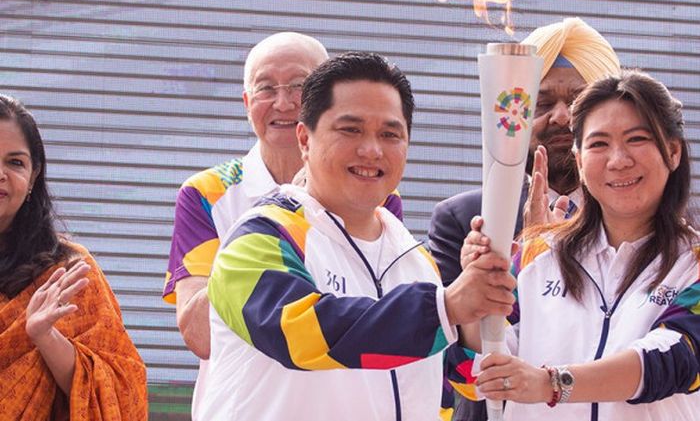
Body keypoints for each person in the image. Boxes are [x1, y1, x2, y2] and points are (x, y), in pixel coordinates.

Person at [198, 52, 516, 421]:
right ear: (304, 138)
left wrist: (480, 306)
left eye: (389, 134)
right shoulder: (261, 237)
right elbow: (301, 333)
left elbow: (464, 379)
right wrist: (448, 305)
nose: (371, 149)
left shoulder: (414, 258)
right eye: (350, 129)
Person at [162, 32, 401, 418]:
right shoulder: (207, 194)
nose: (284, 102)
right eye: (266, 88)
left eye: (299, 86)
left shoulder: (375, 195)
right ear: (246, 103)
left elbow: (384, 315)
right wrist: (277, 217)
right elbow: (199, 334)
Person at [453, 70, 700, 420]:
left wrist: (551, 384)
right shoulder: (536, 254)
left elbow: (674, 359)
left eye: (637, 139)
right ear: (579, 158)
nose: (618, 160)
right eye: (599, 144)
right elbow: (475, 371)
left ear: (673, 152)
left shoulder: (693, 264)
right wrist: (475, 299)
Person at [429, 17, 621, 288]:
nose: (562, 117)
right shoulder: (465, 221)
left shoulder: (635, 213)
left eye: (578, 103)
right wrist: (476, 282)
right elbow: (445, 327)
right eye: (542, 103)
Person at [0, 94, 147, 420]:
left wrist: (45, 336)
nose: (1, 174)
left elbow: (119, 392)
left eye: (15, 162)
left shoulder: (64, 269)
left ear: (33, 177)